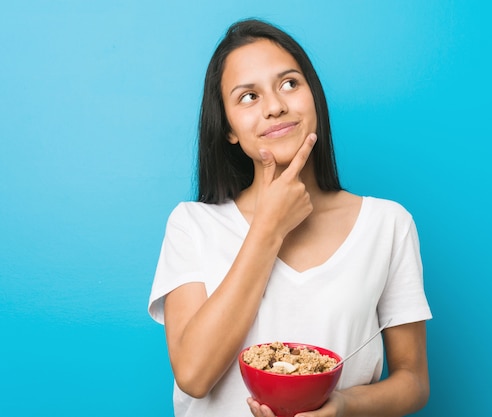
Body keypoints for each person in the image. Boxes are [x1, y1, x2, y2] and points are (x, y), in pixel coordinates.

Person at [148, 18, 432, 417]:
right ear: (228, 127)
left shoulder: (387, 224)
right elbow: (194, 376)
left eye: (289, 84)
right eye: (248, 96)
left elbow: (414, 381)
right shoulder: (192, 226)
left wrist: (344, 405)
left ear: (313, 96)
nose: (275, 106)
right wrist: (269, 227)